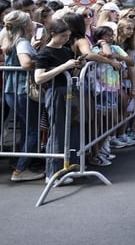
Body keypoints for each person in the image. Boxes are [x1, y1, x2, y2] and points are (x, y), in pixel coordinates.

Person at [34, 19, 86, 185]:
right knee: (57, 132)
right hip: (55, 93)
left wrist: (78, 65)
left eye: (68, 36)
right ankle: (53, 172)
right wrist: (64, 66)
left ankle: (67, 168)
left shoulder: (65, 50)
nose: (66, 39)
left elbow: (70, 71)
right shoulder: (44, 53)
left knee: (71, 130)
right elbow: (39, 78)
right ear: (53, 34)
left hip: (69, 92)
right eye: (63, 36)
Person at [0, 11, 45, 181]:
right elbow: (26, 63)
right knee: (32, 130)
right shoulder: (22, 42)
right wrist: (43, 62)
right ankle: (20, 169)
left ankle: (21, 165)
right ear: (26, 25)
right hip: (23, 91)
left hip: (13, 91)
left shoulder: (9, 40)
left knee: (28, 129)